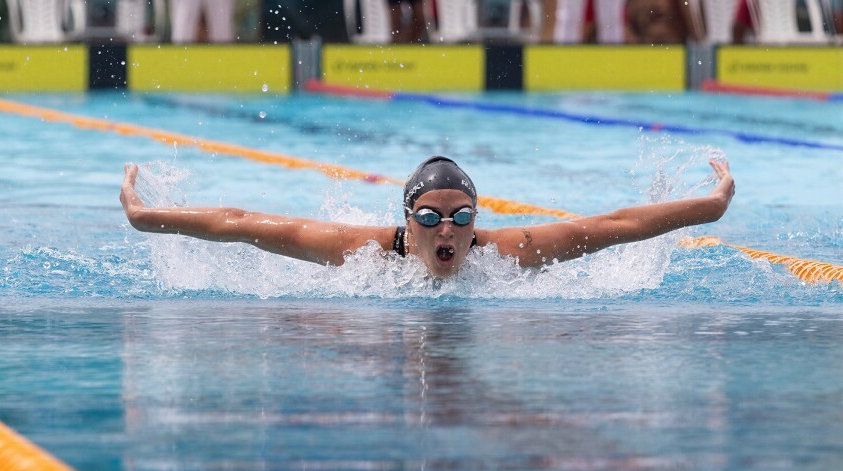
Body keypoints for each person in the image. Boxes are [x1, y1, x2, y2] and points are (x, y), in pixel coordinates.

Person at [120, 156, 735, 278]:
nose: (448, 230)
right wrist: (151, 218)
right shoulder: (360, 252)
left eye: (462, 216)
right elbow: (245, 221)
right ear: (407, 220)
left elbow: (613, 226)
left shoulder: (506, 251)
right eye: (431, 216)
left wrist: (708, 208)